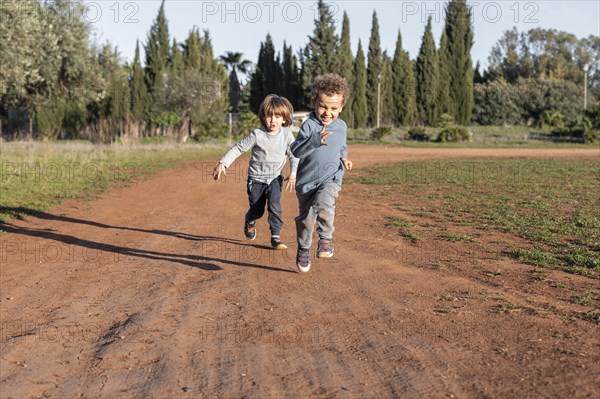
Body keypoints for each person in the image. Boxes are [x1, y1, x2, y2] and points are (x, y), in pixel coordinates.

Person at [213, 95, 298, 250]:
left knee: (275, 206)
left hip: (275, 178)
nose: (273, 120)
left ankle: (275, 237)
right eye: (269, 116)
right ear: (262, 117)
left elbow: (294, 154)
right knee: (257, 211)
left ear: (284, 119)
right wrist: (223, 163)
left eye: (277, 116)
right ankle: (250, 220)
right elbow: (239, 148)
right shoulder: (257, 135)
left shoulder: (286, 135)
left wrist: (293, 173)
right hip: (256, 179)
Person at [290, 74, 353, 272]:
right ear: (314, 102)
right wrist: (314, 140)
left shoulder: (341, 126)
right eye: (323, 106)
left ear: (341, 107)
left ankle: (326, 239)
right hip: (307, 182)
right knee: (307, 219)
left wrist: (344, 158)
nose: (328, 112)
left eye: (334, 108)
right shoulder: (309, 125)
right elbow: (296, 151)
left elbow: (341, 145)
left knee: (324, 203)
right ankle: (304, 247)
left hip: (331, 177)